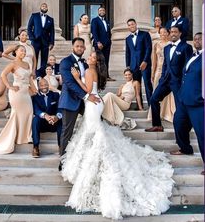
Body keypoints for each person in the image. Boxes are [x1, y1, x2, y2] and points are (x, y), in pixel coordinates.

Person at [61, 50, 174, 220]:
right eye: (90, 55)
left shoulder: (90, 71)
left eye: (92, 56)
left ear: (96, 60)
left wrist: (77, 77)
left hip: (92, 104)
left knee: (94, 133)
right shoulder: (93, 69)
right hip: (94, 102)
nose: (89, 57)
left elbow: (86, 88)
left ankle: (97, 160)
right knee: (93, 133)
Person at [0, 45, 37, 154]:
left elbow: (29, 79)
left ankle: (25, 137)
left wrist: (34, 89)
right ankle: (16, 137)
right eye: (21, 51)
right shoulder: (13, 64)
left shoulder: (27, 64)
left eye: (24, 51)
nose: (23, 52)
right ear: (16, 52)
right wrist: (9, 87)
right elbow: (3, 75)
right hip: (16, 93)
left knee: (29, 112)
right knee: (17, 114)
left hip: (25, 93)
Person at [58, 37, 100, 161]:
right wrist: (87, 96)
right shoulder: (65, 62)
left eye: (82, 46)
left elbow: (89, 82)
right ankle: (63, 160)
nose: (80, 48)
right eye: (77, 46)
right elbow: (70, 84)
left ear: (84, 48)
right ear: (72, 47)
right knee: (67, 131)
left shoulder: (85, 64)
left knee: (99, 122)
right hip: (70, 101)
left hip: (85, 102)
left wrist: (93, 94)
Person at [145, 26, 193, 132]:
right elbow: (165, 65)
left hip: (178, 82)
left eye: (175, 32)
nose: (173, 34)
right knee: (153, 99)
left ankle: (183, 129)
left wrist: (185, 82)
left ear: (180, 33)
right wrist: (162, 78)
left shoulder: (186, 47)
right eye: (171, 32)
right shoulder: (167, 48)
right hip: (166, 80)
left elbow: (188, 66)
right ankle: (157, 125)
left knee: (180, 106)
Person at [170, 33, 204, 174]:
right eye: (195, 39)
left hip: (198, 103)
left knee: (202, 134)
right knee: (178, 123)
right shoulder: (192, 55)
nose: (196, 41)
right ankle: (185, 148)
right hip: (184, 100)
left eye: (200, 39)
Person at [148, 27, 175, 122]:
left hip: (169, 71)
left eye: (164, 32)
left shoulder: (171, 44)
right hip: (158, 71)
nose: (162, 34)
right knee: (156, 92)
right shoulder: (156, 44)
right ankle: (155, 115)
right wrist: (152, 73)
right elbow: (154, 60)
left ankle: (166, 113)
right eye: (161, 32)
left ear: (168, 33)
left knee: (167, 93)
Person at [125, 18, 153, 106]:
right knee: (137, 86)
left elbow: (149, 48)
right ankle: (139, 105)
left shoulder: (145, 34)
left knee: (147, 84)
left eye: (132, 24)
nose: (131, 26)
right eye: (129, 25)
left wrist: (145, 61)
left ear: (136, 24)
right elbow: (128, 53)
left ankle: (151, 105)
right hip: (133, 66)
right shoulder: (128, 38)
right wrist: (128, 65)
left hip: (145, 64)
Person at [31, 78, 62, 158]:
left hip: (54, 122)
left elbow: (60, 108)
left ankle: (61, 146)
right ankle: (36, 147)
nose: (44, 87)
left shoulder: (55, 95)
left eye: (46, 84)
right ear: (38, 86)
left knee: (61, 121)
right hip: (42, 124)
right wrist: (45, 116)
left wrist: (56, 117)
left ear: (48, 85)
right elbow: (36, 110)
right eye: (42, 85)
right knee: (35, 120)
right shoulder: (35, 97)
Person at [27, 3, 55, 77]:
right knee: (34, 58)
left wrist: (51, 42)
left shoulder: (50, 19)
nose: (44, 7)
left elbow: (52, 32)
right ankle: (33, 74)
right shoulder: (34, 16)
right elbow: (29, 27)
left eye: (46, 6)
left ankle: (42, 75)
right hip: (35, 40)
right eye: (43, 6)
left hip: (45, 41)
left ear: (47, 8)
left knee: (44, 59)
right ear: (40, 7)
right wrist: (31, 37)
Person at [91, 7, 115, 81]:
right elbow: (94, 32)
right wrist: (98, 42)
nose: (102, 11)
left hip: (107, 44)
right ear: (98, 12)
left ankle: (106, 76)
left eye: (103, 10)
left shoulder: (107, 21)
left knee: (106, 60)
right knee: (99, 60)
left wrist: (109, 41)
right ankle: (99, 76)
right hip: (99, 44)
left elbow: (108, 33)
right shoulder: (95, 20)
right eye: (100, 10)